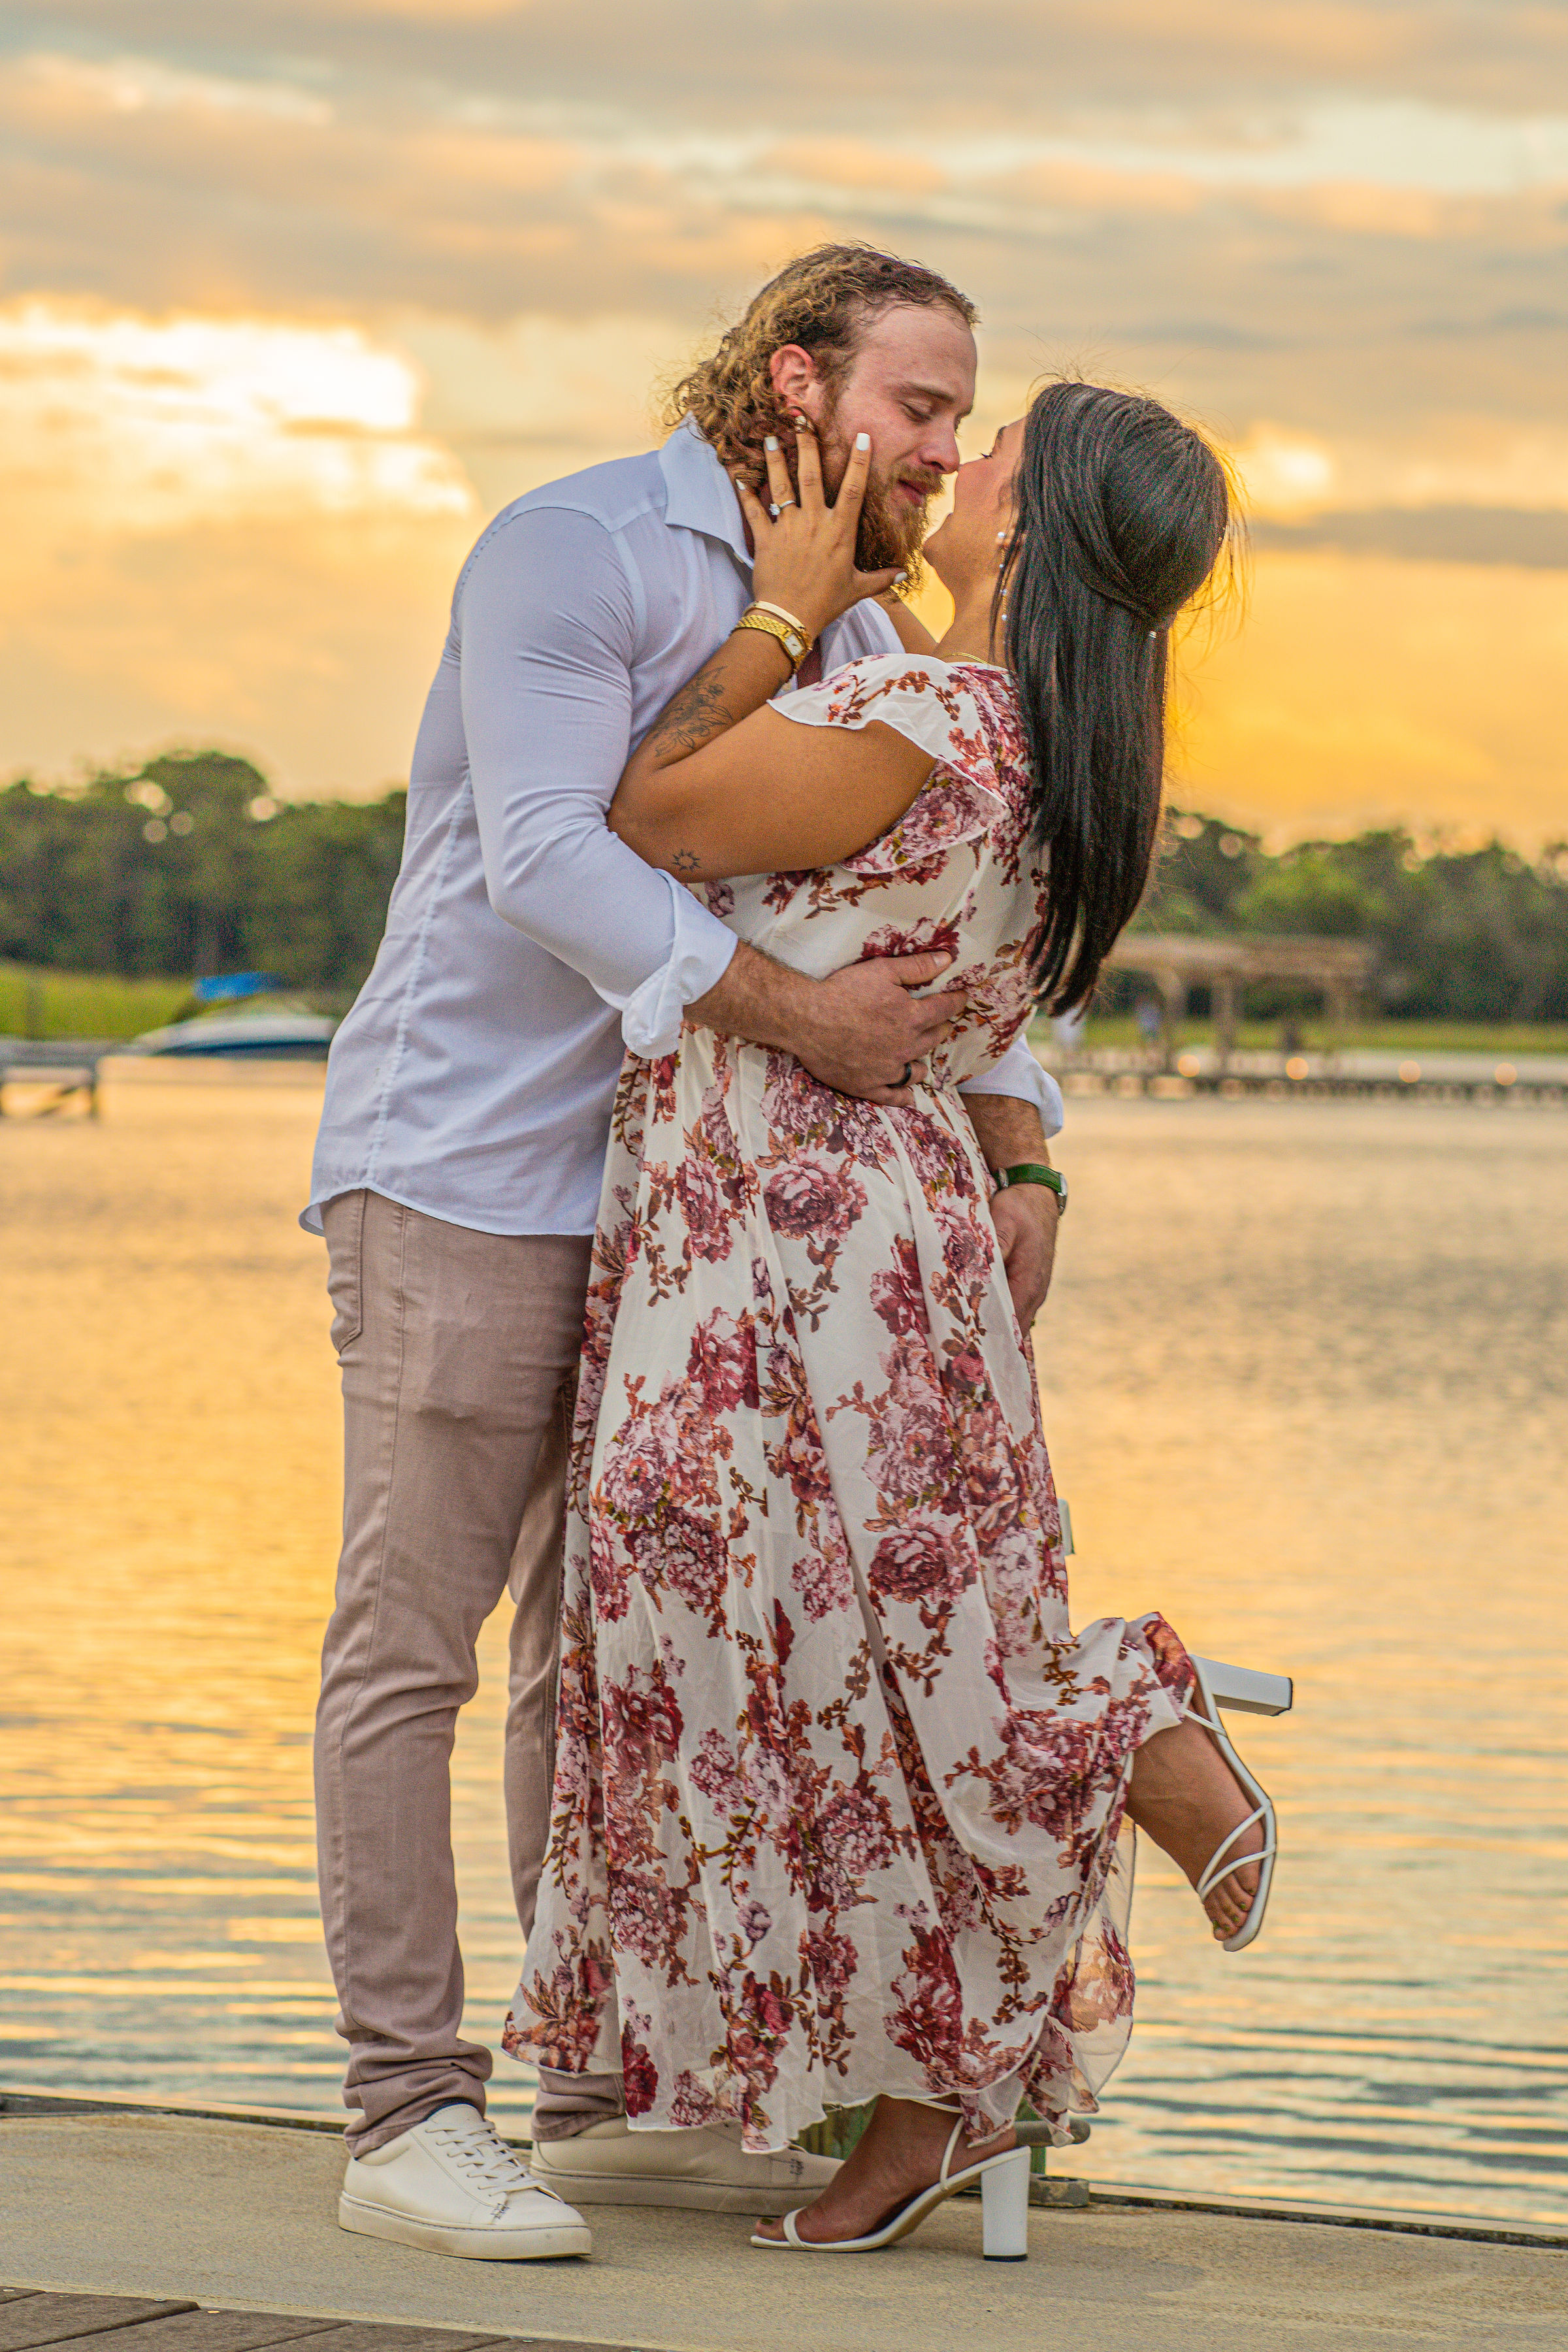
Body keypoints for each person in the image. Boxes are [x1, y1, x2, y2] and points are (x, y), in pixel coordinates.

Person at [303, 244, 1065, 2262]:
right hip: (472, 1171)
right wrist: (802, 1018)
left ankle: (598, 2092)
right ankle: (405, 2116)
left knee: (613, 1663)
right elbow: (556, 852)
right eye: (919, 407)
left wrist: (1025, 1145)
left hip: (692, 1228)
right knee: (413, 1651)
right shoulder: (574, 552)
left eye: (962, 417)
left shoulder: (875, 632)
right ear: (800, 386)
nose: (945, 450)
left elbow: (926, 902)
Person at [506, 381, 1275, 2257]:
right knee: (854, 1652)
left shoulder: (924, 715)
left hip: (787, 1229)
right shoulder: (1057, 752)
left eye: (996, 446)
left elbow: (644, 820)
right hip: (889, 1223)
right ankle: (934, 2098)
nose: (960, 459)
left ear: (1036, 517)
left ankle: (1123, 1725)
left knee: (771, 1642)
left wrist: (780, 610)